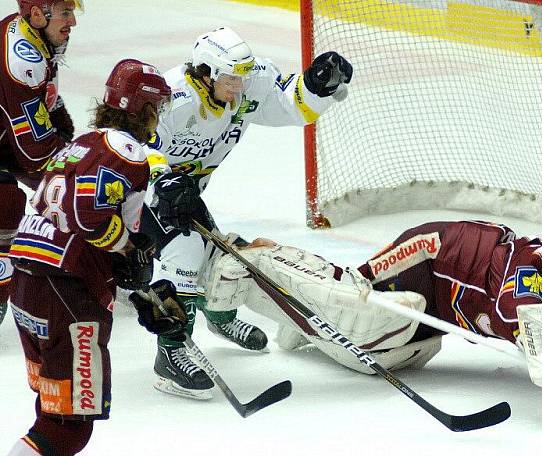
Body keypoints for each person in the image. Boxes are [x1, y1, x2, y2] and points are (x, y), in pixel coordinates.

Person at [203, 220, 542, 423]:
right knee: (354, 295)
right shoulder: (539, 264)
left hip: (441, 307)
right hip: (433, 251)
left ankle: (307, 325)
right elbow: (522, 314)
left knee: (375, 357)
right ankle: (256, 259)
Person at [141, 26, 353, 400]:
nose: (238, 88)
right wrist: (161, 179)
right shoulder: (171, 96)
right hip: (143, 193)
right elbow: (136, 143)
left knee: (225, 260)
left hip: (187, 192)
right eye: (229, 80)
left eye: (242, 79)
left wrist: (315, 87)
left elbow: (291, 104)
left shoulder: (245, 82)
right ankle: (171, 355)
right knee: (186, 253)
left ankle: (219, 318)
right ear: (205, 73)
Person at [6, 59, 187, 455]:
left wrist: (139, 291)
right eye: (156, 109)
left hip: (27, 282)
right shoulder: (127, 151)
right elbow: (87, 217)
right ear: (144, 109)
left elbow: (83, 224)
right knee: (68, 427)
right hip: (66, 294)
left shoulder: (81, 144)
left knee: (52, 412)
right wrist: (128, 248)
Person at [0, 0, 82, 328]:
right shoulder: (20, 60)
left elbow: (41, 97)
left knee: (74, 184)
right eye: (65, 12)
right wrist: (70, 161)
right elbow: (34, 153)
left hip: (5, 140)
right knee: (7, 204)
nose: (73, 21)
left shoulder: (28, 33)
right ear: (37, 15)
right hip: (11, 144)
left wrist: (58, 120)